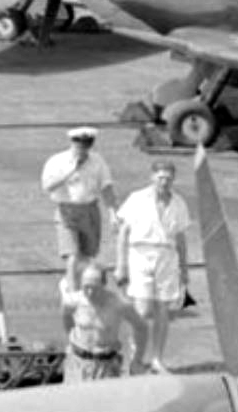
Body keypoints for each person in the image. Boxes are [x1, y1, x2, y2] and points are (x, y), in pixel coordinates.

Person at [113, 162, 196, 374]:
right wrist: (121, 265)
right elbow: (123, 232)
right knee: (142, 309)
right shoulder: (137, 198)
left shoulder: (178, 203)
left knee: (163, 310)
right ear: (152, 177)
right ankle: (136, 358)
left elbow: (181, 238)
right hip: (140, 253)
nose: (164, 182)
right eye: (160, 178)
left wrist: (184, 269)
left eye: (168, 178)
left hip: (166, 255)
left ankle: (158, 359)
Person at [36, 125, 116, 273]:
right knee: (72, 255)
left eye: (87, 145)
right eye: (79, 145)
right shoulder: (57, 161)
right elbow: (47, 186)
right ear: (72, 143)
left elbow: (106, 186)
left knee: (88, 256)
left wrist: (112, 213)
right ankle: (73, 293)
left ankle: (83, 289)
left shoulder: (97, 160)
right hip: (67, 211)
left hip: (90, 210)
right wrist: (71, 170)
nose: (83, 149)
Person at [59, 262, 130, 381]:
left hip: (106, 365)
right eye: (86, 287)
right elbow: (66, 318)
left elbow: (139, 326)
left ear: (103, 284)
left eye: (95, 287)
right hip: (77, 364)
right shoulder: (73, 301)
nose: (90, 292)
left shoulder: (117, 303)